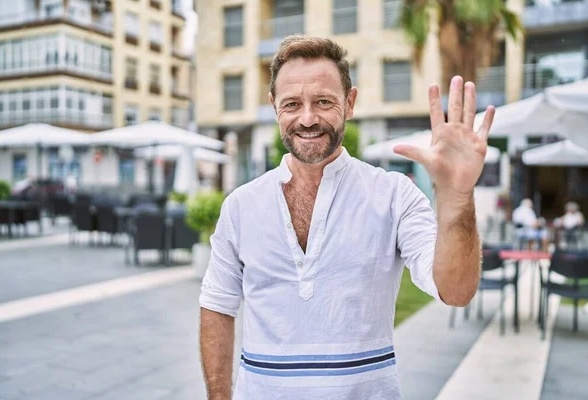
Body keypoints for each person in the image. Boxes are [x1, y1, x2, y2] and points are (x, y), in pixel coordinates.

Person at [199, 36, 495, 400]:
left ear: (350, 102)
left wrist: (457, 196)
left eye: (324, 101)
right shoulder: (240, 206)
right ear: (275, 106)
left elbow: (457, 290)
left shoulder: (393, 196)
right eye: (292, 104)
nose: (307, 118)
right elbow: (217, 304)